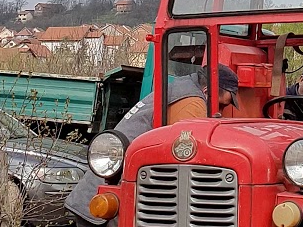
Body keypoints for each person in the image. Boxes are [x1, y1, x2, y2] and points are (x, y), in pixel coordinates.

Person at [65, 65, 239, 227]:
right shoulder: (191, 102)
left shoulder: (180, 87)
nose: (221, 112)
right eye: (222, 105)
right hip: (108, 203)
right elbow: (192, 153)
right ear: (207, 91)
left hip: (96, 192)